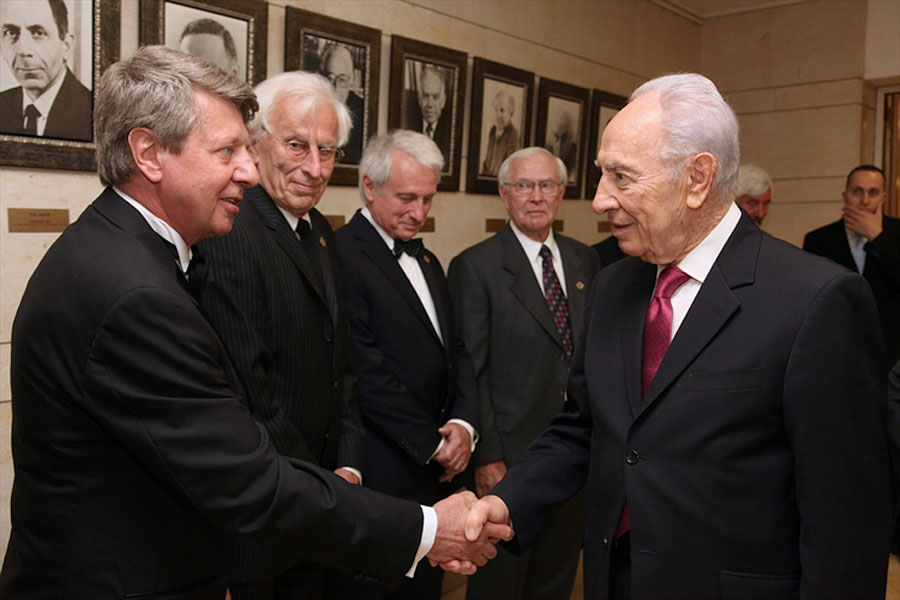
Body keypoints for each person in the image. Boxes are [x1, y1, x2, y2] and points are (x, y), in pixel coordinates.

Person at [0, 46, 509, 598]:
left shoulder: (118, 248)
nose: (248, 170)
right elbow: (249, 479)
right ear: (148, 153)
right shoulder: (134, 293)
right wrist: (428, 528)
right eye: (227, 152)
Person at [464, 73, 893, 599]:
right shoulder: (614, 285)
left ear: (697, 178)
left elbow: (846, 521)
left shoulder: (816, 301)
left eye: (622, 178)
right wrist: (505, 501)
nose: (599, 201)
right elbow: (585, 429)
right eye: (602, 175)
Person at [192, 71, 362, 599]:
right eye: (296, 145)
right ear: (255, 142)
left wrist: (349, 465)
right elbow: (248, 388)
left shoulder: (321, 233)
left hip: (322, 503)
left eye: (327, 151)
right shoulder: (232, 230)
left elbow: (343, 367)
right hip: (267, 515)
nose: (314, 168)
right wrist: (321, 486)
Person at [333, 130, 480, 599]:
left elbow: (455, 349)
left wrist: (463, 424)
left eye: (428, 199)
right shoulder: (340, 254)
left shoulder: (429, 258)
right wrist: (428, 443)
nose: (419, 213)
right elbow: (362, 368)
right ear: (370, 187)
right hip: (383, 471)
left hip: (436, 476)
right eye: (406, 198)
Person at [447, 147, 598, 600]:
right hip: (509, 459)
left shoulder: (584, 261)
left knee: (555, 578)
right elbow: (471, 369)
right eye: (523, 186)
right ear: (504, 195)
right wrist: (487, 455)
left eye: (546, 185)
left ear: (561, 194)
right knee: (501, 583)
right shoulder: (476, 267)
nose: (536, 196)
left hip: (574, 455)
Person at [802, 164, 900, 368]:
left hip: (891, 352)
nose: (864, 201)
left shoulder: (897, 233)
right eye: (857, 192)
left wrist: (877, 237)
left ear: (883, 197)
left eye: (873, 193)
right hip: (837, 350)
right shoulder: (818, 240)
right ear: (845, 196)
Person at [0, 0, 91, 141]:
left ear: (66, 45)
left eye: (38, 33)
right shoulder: (2, 105)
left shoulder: (92, 112)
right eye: (11, 33)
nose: (23, 50)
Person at [321, 44, 364, 163]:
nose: (335, 87)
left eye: (342, 79)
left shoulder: (362, 112)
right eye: (330, 78)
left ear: (350, 81)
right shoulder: (311, 107)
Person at [404, 66, 451, 161]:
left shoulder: (450, 132)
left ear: (443, 101)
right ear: (419, 99)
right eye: (426, 96)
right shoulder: (408, 125)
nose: (430, 104)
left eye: (435, 97)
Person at [480, 90, 520, 177]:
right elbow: (487, 161)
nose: (498, 115)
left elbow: (511, 166)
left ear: (511, 113)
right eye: (496, 110)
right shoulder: (493, 131)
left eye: (502, 110)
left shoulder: (513, 134)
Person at [546, 110, 577, 182]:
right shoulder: (544, 152)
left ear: (571, 139)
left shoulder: (576, 157)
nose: (559, 144)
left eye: (564, 138)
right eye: (556, 137)